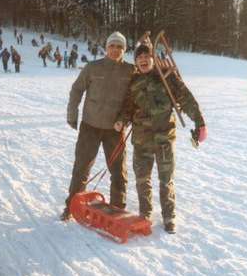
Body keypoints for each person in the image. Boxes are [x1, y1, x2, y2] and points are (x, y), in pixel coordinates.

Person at [114, 43, 207, 234]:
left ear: (153, 58)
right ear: (136, 62)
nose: (143, 60)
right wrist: (121, 121)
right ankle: (145, 213)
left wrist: (199, 122)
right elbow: (127, 108)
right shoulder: (134, 82)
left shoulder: (166, 77)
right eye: (139, 58)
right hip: (141, 140)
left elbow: (186, 99)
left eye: (147, 57)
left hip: (164, 139)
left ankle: (169, 216)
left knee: (166, 180)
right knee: (142, 179)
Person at [61, 31, 134, 221]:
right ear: (106, 47)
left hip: (115, 130)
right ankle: (71, 206)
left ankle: (117, 210)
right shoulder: (92, 67)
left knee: (119, 171)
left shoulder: (130, 71)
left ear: (124, 50)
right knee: (81, 168)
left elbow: (132, 101)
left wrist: (123, 121)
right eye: (112, 46)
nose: (115, 50)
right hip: (90, 126)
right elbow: (76, 89)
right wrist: (72, 113)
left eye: (120, 47)